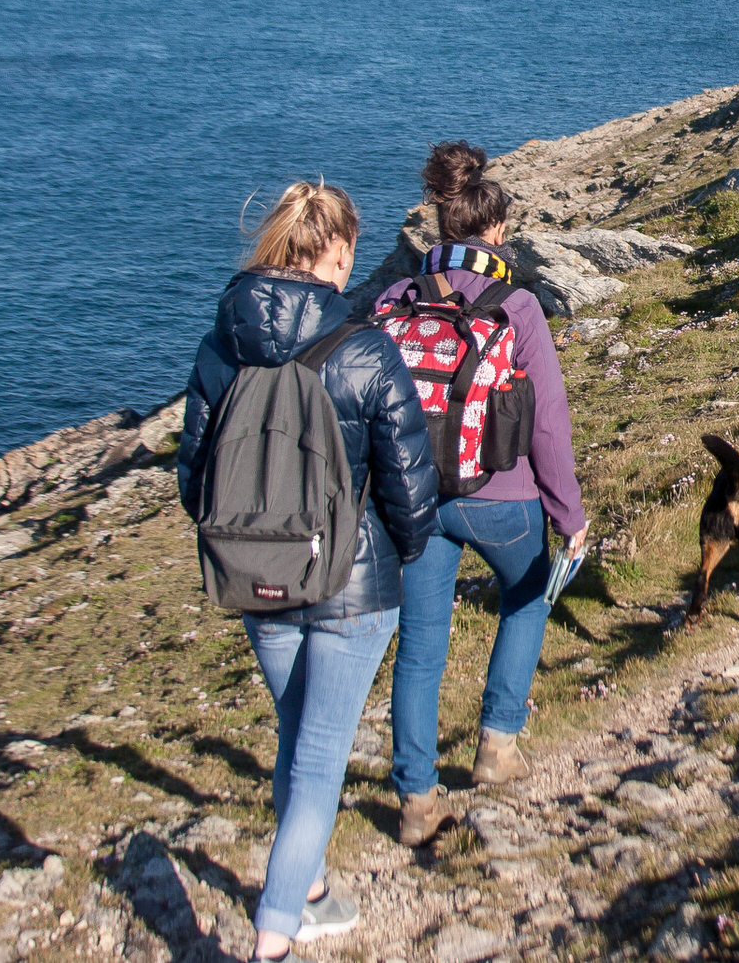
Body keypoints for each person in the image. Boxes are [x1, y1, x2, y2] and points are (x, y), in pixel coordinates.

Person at [177, 181, 438, 962]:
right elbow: (409, 482)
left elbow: (195, 477)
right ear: (339, 253)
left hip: (255, 571)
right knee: (321, 756)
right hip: (351, 583)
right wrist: (400, 550)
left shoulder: (221, 343)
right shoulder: (364, 346)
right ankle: (275, 933)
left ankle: (316, 890)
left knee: (296, 737)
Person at [388, 141, 588, 847]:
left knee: (420, 645)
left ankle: (415, 796)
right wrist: (571, 516)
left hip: (414, 498)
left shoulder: (395, 299)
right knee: (526, 598)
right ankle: (496, 746)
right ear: (497, 232)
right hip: (500, 494)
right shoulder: (519, 305)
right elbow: (548, 424)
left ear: (443, 227)